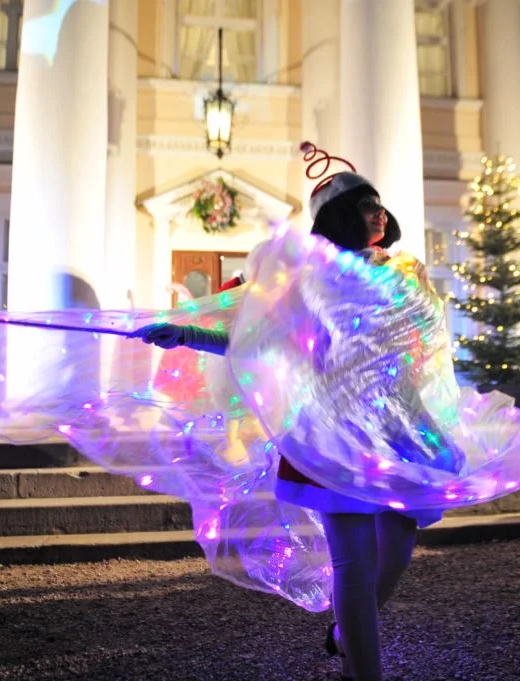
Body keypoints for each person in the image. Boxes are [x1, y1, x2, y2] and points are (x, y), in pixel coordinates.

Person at [135, 148, 424, 681]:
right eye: (367, 206)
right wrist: (186, 335)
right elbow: (254, 341)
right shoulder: (307, 283)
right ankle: (364, 671)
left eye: (380, 206)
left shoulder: (402, 276)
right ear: (342, 217)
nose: (379, 214)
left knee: (400, 542)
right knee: (355, 566)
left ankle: (345, 630)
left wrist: (425, 417)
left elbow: (419, 353)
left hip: (395, 431)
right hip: (334, 437)